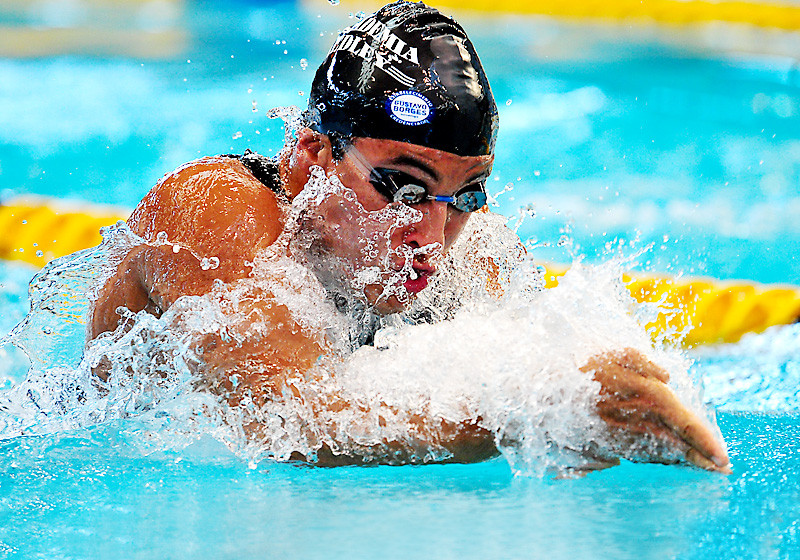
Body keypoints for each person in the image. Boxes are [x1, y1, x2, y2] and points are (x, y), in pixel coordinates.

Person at [88, 1, 730, 472]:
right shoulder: (211, 211)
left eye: (466, 194)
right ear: (313, 152)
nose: (430, 233)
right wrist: (521, 411)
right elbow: (289, 421)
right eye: (401, 188)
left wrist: (596, 394)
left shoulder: (471, 248)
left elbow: (532, 356)